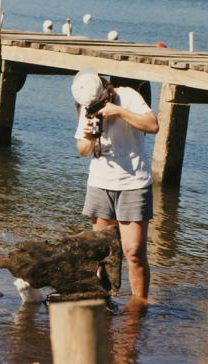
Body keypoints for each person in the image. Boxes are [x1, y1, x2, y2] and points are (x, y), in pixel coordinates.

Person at [71, 69, 159, 311]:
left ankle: (139, 304)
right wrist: (88, 138)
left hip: (133, 183)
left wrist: (119, 112)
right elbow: (82, 150)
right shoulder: (86, 105)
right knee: (101, 251)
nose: (96, 106)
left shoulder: (128, 96)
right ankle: (104, 300)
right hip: (100, 183)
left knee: (133, 251)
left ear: (105, 89)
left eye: (100, 101)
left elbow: (153, 125)